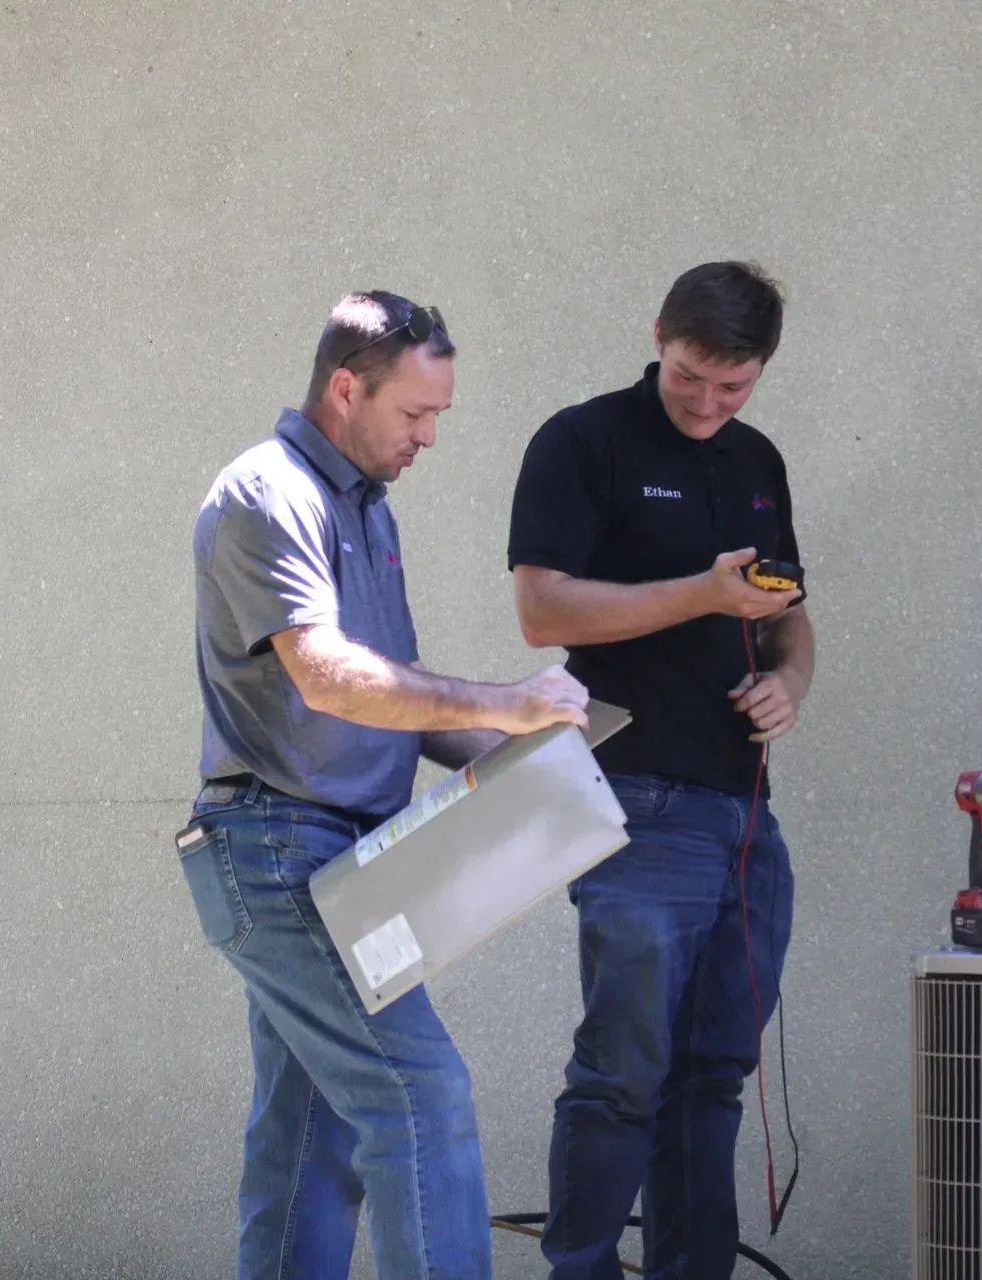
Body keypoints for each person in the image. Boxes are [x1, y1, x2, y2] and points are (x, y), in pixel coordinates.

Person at [180, 290, 591, 1280]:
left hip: (345, 857)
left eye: (439, 414)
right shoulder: (268, 493)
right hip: (277, 849)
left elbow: (393, 696)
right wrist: (509, 702)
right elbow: (329, 678)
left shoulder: (367, 507)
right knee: (420, 1094)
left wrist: (541, 757)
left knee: (308, 1134)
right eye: (415, 413)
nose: (429, 436)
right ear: (345, 388)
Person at [506, 262, 817, 1279]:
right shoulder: (584, 439)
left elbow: (788, 617)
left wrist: (789, 684)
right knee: (622, 1076)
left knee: (712, 1077)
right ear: (658, 336)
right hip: (631, 797)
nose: (709, 403)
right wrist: (701, 592)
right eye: (691, 376)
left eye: (734, 386)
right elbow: (542, 610)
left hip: (744, 813)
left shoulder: (758, 461)